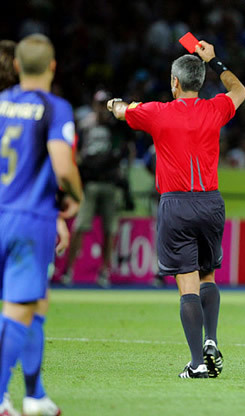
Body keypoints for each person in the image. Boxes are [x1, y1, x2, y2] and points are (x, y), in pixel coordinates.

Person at [107, 40, 245, 379]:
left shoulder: (157, 112)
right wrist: (214, 60)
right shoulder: (216, 108)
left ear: (174, 82)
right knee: (208, 275)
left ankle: (197, 363)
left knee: (187, 284)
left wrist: (115, 104)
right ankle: (211, 340)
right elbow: (240, 90)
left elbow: (122, 111)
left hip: (177, 204)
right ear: (199, 82)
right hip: (211, 202)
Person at [0, 34, 83, 415]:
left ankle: (34, 396)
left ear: (17, 66)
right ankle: (1, 397)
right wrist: (74, 197)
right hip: (28, 219)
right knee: (20, 308)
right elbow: (62, 166)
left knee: (36, 303)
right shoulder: (54, 108)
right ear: (52, 67)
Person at [61, 89, 128, 288]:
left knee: (110, 230)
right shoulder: (84, 124)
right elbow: (76, 150)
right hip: (89, 184)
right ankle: (69, 270)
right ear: (93, 105)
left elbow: (123, 149)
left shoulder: (115, 126)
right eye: (98, 104)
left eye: (104, 104)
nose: (101, 109)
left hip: (109, 184)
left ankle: (104, 271)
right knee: (80, 226)